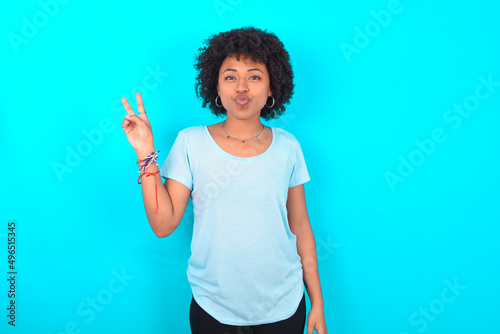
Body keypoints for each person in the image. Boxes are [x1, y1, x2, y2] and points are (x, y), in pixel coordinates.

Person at [121, 27, 327, 334]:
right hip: (213, 308)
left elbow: (300, 228)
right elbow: (163, 225)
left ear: (272, 88)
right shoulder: (191, 143)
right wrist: (146, 153)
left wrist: (318, 305)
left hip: (284, 306)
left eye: (254, 76)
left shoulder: (288, 147)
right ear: (215, 87)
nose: (241, 87)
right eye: (230, 76)